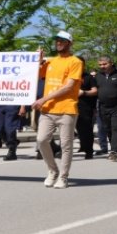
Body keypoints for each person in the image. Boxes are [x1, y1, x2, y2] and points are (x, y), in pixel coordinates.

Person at [32, 30, 83, 189]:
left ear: (69, 43)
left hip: (66, 109)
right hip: (48, 111)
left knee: (66, 145)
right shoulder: (50, 62)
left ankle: (63, 176)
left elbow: (68, 87)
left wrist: (44, 99)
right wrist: (37, 60)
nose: (58, 43)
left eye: (62, 41)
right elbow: (31, 75)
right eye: (57, 41)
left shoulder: (75, 62)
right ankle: (53, 170)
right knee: (41, 140)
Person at [76, 56, 98, 160]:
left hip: (85, 107)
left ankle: (89, 150)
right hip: (69, 107)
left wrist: (83, 92)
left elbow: (95, 91)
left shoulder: (89, 77)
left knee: (86, 130)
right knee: (71, 130)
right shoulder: (67, 76)